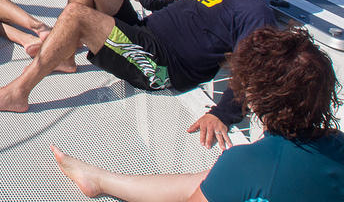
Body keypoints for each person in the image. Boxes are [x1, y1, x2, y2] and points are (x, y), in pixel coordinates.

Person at [0, 0, 279, 149]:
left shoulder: (255, 12)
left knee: (77, 15)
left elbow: (256, 70)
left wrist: (222, 114)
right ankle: (64, 58)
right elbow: (180, 8)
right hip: (145, 33)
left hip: (160, 66)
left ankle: (18, 92)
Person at [50, 24, 344, 201]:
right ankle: (99, 180)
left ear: (254, 96)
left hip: (254, 175)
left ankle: (98, 180)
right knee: (213, 177)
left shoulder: (247, 163)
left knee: (222, 178)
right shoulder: (337, 146)